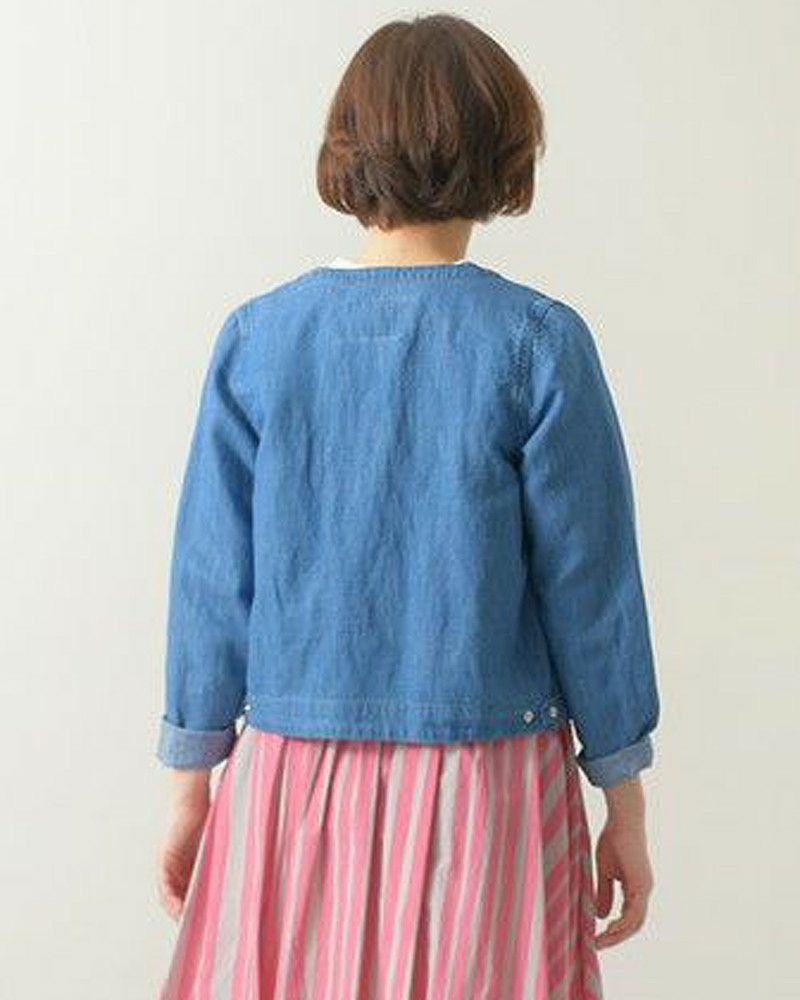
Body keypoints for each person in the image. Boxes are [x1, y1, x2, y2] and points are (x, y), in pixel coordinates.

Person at [154, 12, 660, 999]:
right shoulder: (538, 342)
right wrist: (623, 799)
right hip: (488, 775)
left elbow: (212, 579)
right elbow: (592, 591)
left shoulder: (258, 339)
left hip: (292, 774)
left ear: (348, 142)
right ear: (505, 151)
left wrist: (190, 780)